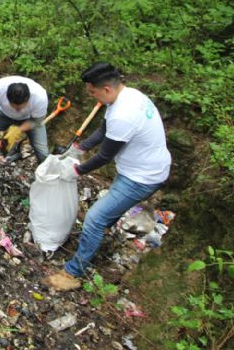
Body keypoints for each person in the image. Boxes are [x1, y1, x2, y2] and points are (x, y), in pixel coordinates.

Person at [44, 62, 171, 291]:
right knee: (106, 213)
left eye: (93, 92)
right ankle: (96, 239)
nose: (92, 96)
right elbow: (104, 130)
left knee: (94, 218)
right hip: (141, 168)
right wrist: (80, 148)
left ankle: (73, 273)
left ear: (106, 89)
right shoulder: (127, 96)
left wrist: (75, 171)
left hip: (142, 177)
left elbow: (104, 156)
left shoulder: (124, 114)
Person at [0, 76, 49, 175]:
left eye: (21, 107)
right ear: (7, 98)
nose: (17, 110)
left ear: (28, 99)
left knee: (42, 151)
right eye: (14, 107)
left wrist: (19, 130)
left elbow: (37, 120)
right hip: (3, 114)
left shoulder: (39, 97)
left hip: (30, 119)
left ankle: (46, 178)